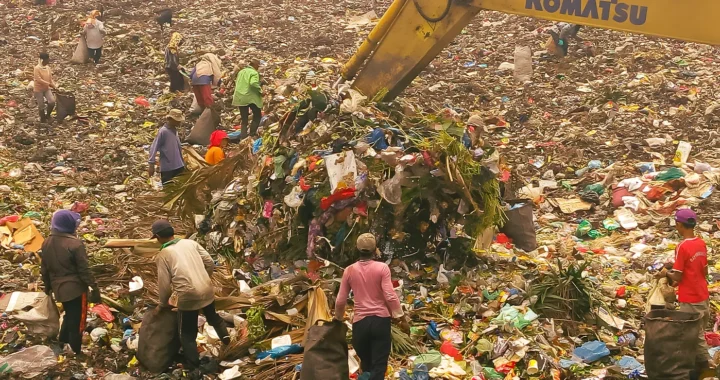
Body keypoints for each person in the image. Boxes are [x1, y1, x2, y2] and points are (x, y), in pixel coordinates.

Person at [152, 220, 230, 372]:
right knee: (214, 318)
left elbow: (164, 285)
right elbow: (209, 261)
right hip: (207, 289)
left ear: (157, 237)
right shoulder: (190, 243)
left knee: (187, 333)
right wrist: (204, 278)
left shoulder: (163, 255)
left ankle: (194, 365)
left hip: (188, 295)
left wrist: (162, 304)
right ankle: (228, 344)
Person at [334, 233, 408, 380]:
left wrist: (338, 319)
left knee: (366, 366)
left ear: (357, 249)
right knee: (379, 368)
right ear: (375, 249)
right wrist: (401, 317)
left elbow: (340, 300)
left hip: (360, 324)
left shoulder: (349, 270)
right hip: (380, 322)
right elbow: (390, 295)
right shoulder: (382, 268)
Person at [41, 210, 100, 355]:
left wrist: (47, 287)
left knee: (69, 314)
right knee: (78, 321)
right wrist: (94, 287)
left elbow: (44, 269)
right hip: (75, 290)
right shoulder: (74, 244)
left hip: (59, 290)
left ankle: (63, 342)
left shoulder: (46, 242)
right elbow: (84, 270)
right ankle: (75, 350)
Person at [662, 209, 711, 370]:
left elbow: (679, 276)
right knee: (699, 332)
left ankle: (708, 369)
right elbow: (703, 271)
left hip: (690, 299)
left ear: (679, 225)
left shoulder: (682, 246)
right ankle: (697, 368)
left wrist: (665, 274)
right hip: (703, 296)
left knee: (694, 336)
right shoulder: (701, 243)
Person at [148, 109, 186, 185]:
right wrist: (151, 164)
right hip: (168, 169)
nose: (179, 122)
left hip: (179, 166)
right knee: (169, 191)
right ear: (170, 119)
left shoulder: (174, 130)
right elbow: (154, 147)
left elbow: (177, 148)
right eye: (177, 120)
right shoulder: (163, 131)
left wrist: (183, 163)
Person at [232, 59, 263, 138]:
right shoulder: (254, 73)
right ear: (255, 65)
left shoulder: (241, 72)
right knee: (257, 116)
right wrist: (260, 90)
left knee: (244, 119)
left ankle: (243, 137)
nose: (258, 68)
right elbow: (253, 83)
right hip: (250, 97)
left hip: (240, 97)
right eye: (258, 66)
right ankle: (251, 135)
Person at [33, 52, 57, 123]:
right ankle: (43, 119)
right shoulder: (37, 68)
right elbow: (38, 79)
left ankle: (48, 115)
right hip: (38, 89)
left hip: (46, 89)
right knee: (41, 105)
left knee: (52, 102)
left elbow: (50, 79)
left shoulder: (47, 68)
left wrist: (54, 86)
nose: (48, 61)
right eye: (46, 60)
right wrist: (48, 84)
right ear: (42, 60)